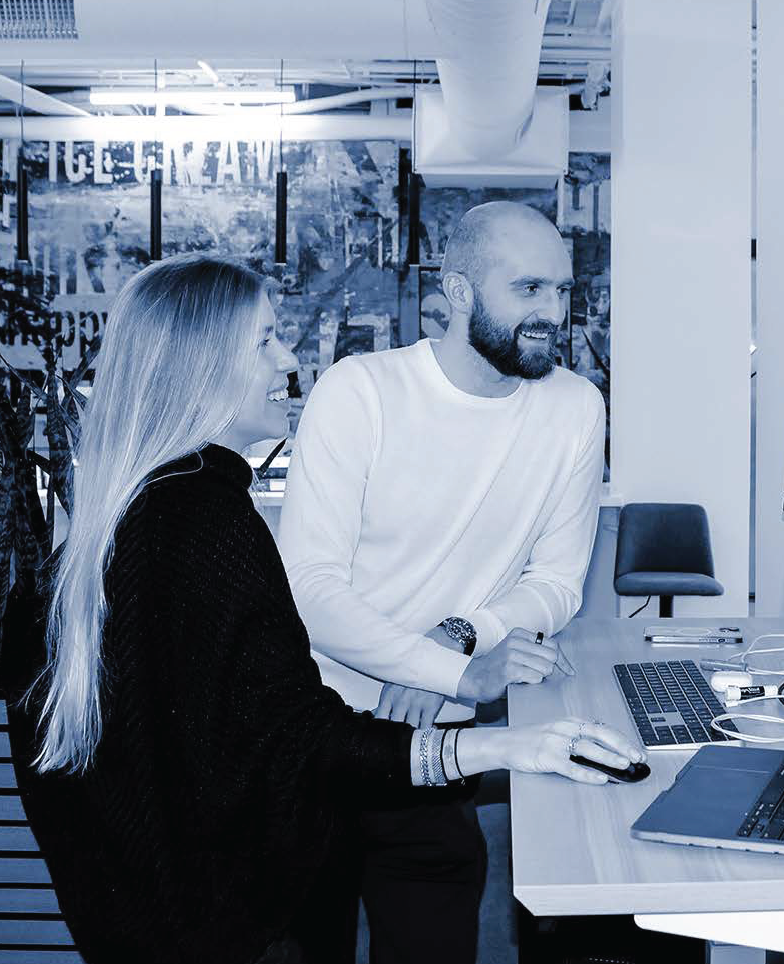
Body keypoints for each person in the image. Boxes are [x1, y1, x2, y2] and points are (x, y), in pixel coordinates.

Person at [2, 253, 642, 964]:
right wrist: (502, 745)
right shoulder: (206, 524)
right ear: (201, 365)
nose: (286, 360)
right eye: (265, 340)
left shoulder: (125, 522)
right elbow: (299, 746)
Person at [278, 201, 608, 964]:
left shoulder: (573, 407)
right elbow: (310, 590)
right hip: (315, 736)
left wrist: (459, 640)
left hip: (437, 750)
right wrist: (452, 672)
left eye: (561, 291)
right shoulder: (359, 391)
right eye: (528, 289)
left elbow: (557, 584)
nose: (551, 313)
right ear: (457, 291)